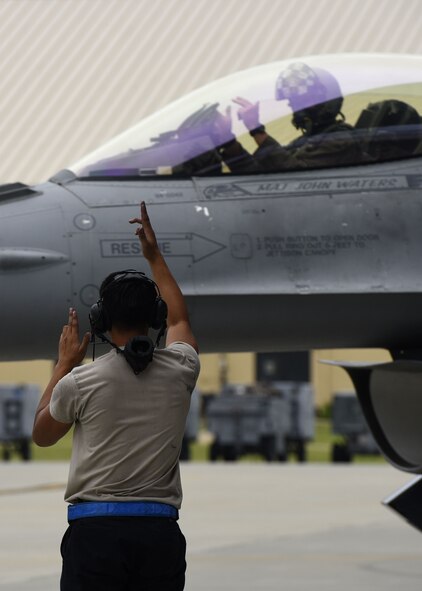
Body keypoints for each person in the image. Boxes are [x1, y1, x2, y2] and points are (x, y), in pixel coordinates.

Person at [32, 201, 200, 591]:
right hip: (160, 535)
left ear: (100, 320)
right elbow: (180, 320)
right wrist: (153, 256)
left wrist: (64, 364)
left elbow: (42, 434)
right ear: (154, 317)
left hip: (95, 537)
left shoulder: (81, 383)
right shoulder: (181, 369)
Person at [218, 62, 363, 172]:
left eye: (302, 100)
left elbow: (294, 175)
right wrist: (229, 142)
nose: (294, 107)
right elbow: (259, 175)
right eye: (293, 101)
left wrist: (256, 129)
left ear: (326, 101)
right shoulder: (306, 141)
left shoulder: (340, 140)